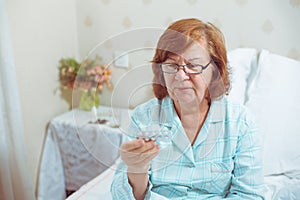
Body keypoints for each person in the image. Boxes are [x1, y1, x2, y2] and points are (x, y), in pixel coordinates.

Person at [111, 18, 265, 199]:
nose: (181, 75)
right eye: (172, 65)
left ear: (214, 70)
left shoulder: (241, 122)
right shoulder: (144, 117)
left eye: (192, 65)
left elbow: (250, 195)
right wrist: (137, 169)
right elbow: (123, 196)